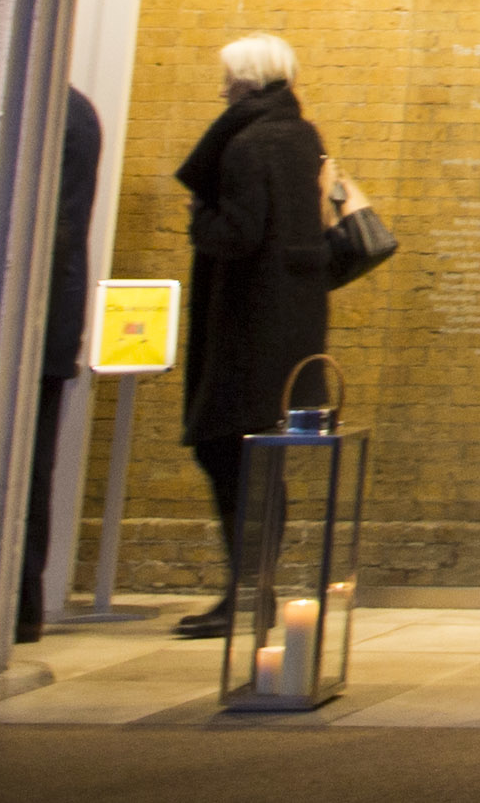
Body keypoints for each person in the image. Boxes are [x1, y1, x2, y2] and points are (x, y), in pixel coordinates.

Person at [171, 35, 331, 639]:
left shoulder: (246, 143)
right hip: (292, 322)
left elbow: (236, 235)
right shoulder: (301, 135)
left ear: (246, 79)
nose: (222, 87)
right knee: (261, 461)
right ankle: (252, 587)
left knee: (228, 454)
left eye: (228, 76)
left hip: (247, 324)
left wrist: (199, 216)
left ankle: (246, 592)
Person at [15, 85, 106, 642]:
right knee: (31, 470)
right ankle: (21, 602)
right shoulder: (74, 112)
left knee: (23, 470)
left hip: (31, 320)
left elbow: (57, 230)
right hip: (47, 321)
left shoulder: (55, 111)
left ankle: (17, 601)